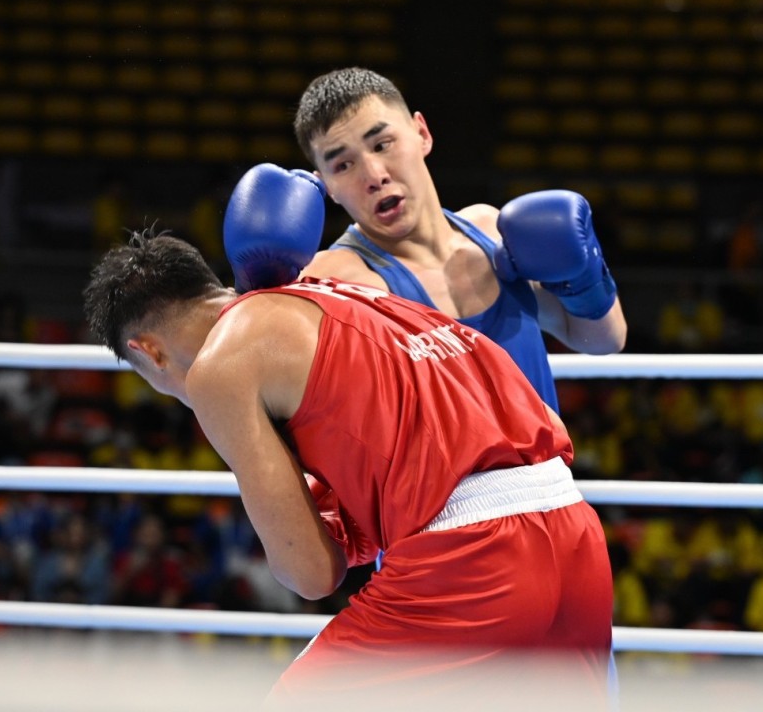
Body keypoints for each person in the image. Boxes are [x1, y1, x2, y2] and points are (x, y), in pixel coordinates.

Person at [83, 231, 613, 707]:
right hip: (574, 536)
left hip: (474, 562)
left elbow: (312, 574)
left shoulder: (218, 366)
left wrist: (302, 530)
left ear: (147, 352)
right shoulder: (341, 293)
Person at [223, 67, 626, 412]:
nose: (374, 174)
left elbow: (604, 339)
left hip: (548, 494)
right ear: (326, 186)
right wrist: (253, 294)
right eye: (343, 164)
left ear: (422, 134)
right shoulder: (334, 282)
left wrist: (584, 280)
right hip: (434, 504)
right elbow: (241, 388)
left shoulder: (492, 233)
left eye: (383, 144)